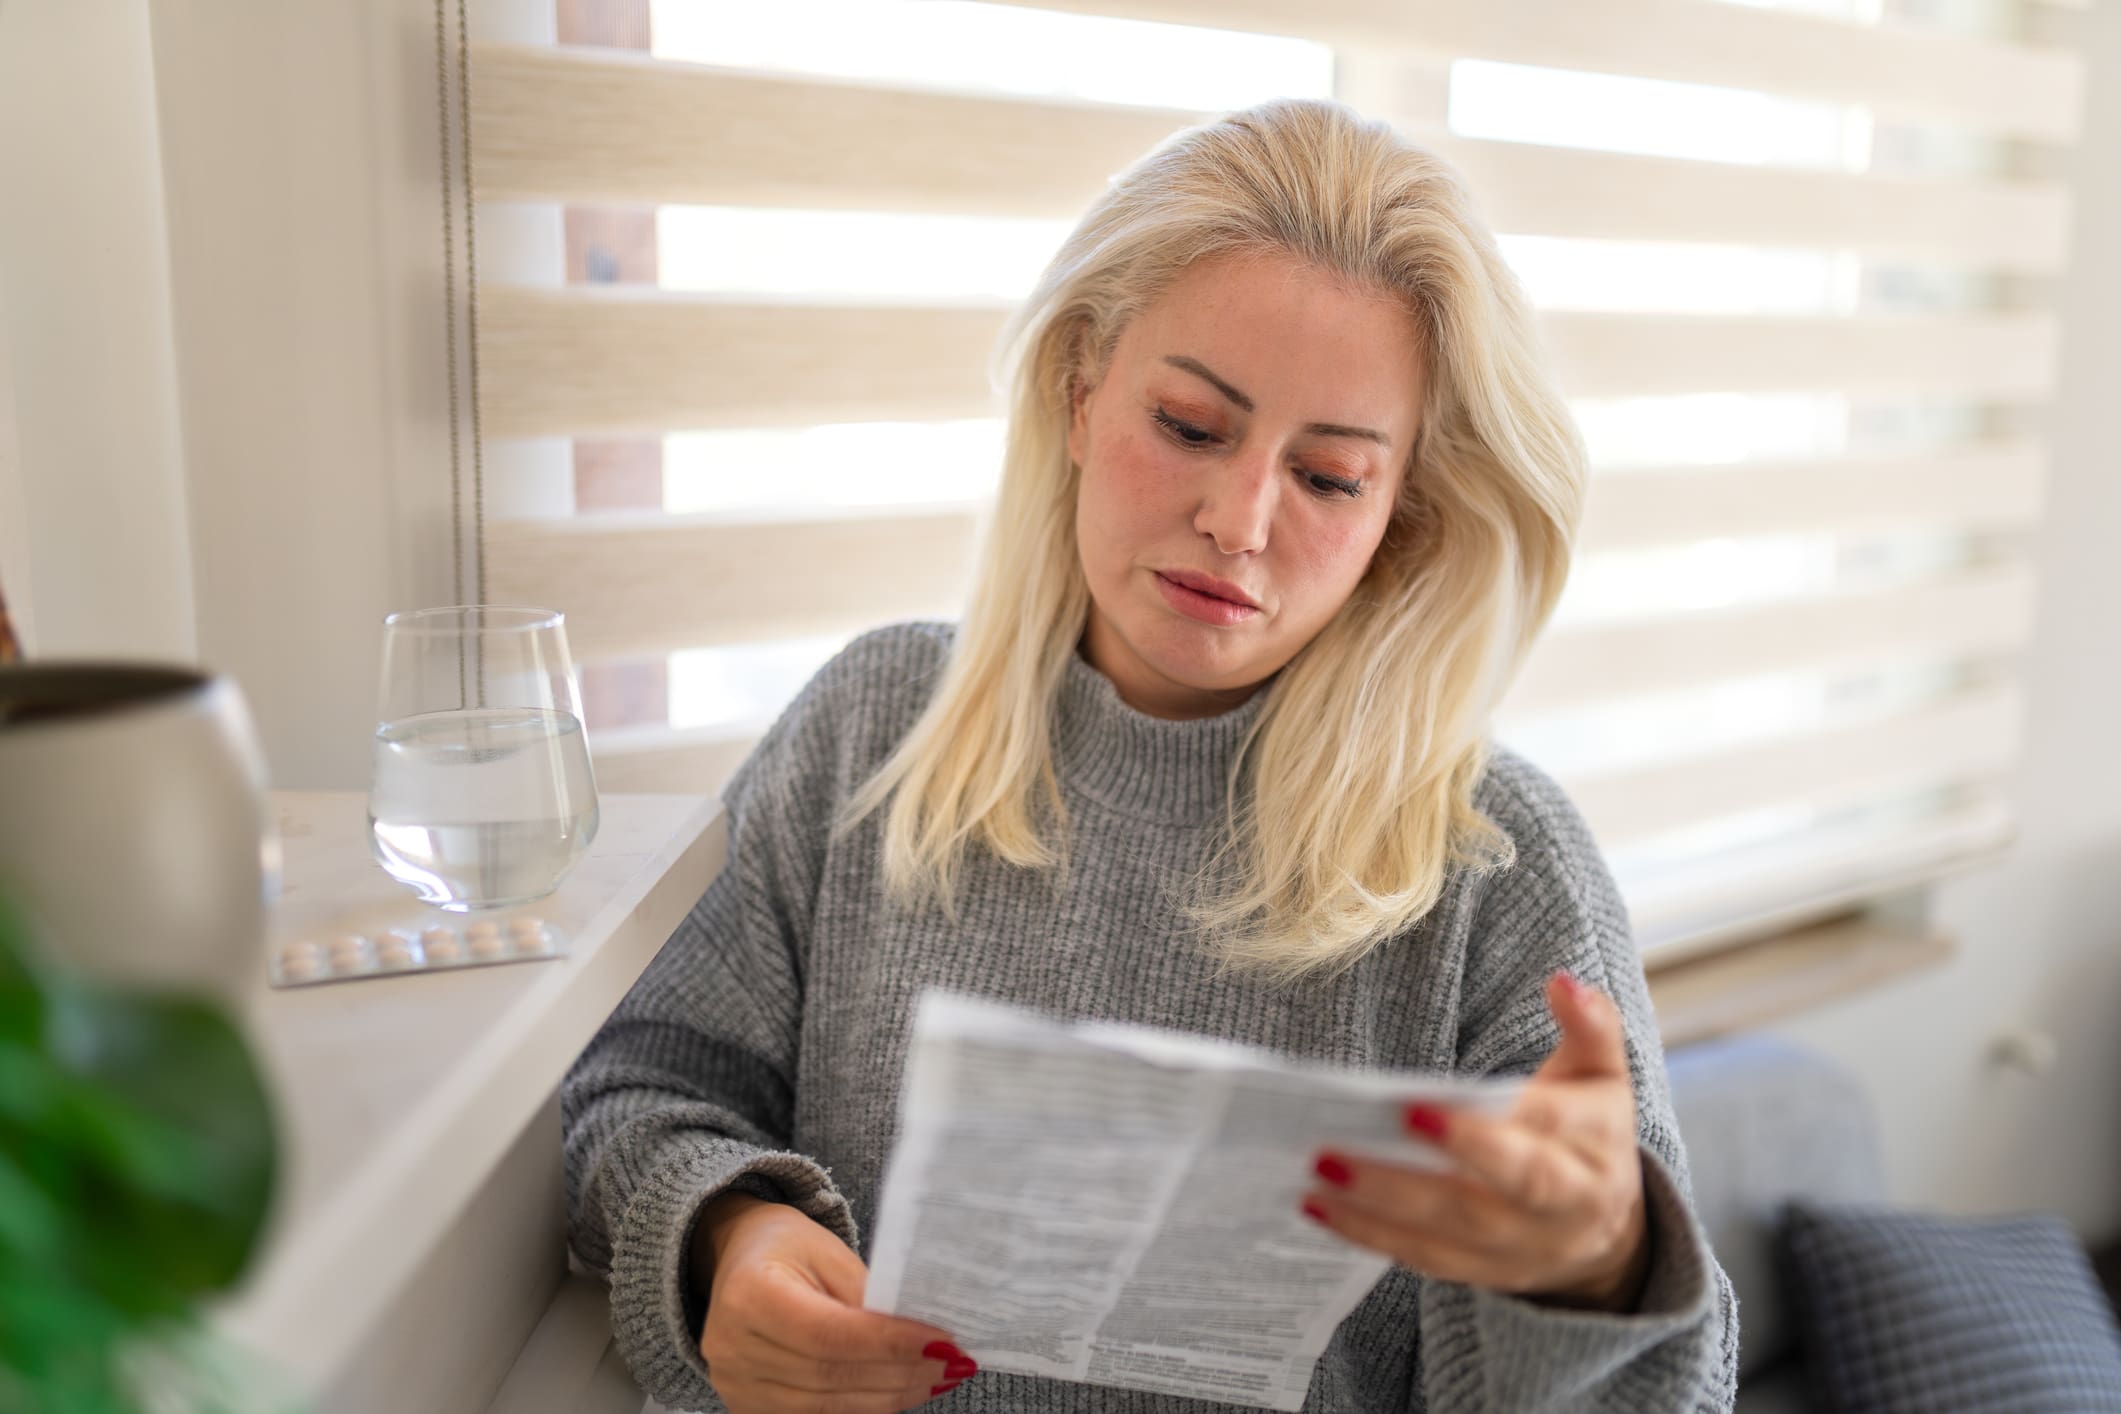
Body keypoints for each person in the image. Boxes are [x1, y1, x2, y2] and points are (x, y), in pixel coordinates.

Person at [560, 96, 1740, 1413]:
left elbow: (1674, 1392)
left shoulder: (1498, 869)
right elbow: (641, 1085)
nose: (1238, 520)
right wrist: (724, 1235)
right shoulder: (869, 730)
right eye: (1188, 424)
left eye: (1329, 477)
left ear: (1399, 519)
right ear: (1078, 394)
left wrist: (1593, 1276)